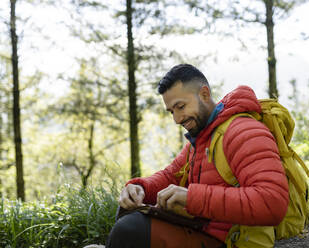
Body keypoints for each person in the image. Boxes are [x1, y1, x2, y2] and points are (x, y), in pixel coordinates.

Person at [106, 64, 289, 248]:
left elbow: (273, 202)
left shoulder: (244, 132)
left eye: (181, 106)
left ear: (204, 94)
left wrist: (193, 198)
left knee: (130, 230)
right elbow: (170, 175)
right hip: (201, 229)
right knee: (128, 211)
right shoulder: (202, 137)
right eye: (172, 111)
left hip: (233, 241)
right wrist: (140, 188)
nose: (177, 119)